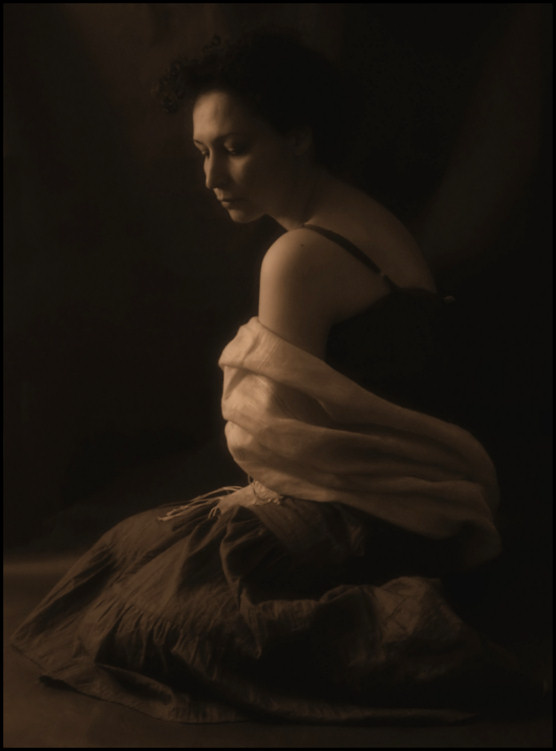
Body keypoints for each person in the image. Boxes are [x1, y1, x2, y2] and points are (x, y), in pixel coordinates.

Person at [10, 28, 545, 725]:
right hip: (419, 507)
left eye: (235, 147)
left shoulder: (298, 256)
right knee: (138, 546)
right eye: (203, 152)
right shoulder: (367, 218)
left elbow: (283, 445)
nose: (213, 177)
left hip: (368, 519)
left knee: (145, 603)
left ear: (298, 138)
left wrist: (239, 516)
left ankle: (404, 621)